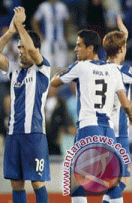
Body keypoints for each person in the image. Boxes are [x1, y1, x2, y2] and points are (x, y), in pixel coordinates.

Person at [50, 27, 132, 202]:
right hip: (108, 131)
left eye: (79, 45)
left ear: (90, 49)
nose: (75, 49)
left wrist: (63, 71)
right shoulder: (114, 70)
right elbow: (126, 104)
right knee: (112, 180)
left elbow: (54, 82)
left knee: (75, 176)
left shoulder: (80, 67)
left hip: (88, 127)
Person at [0, 6, 50, 203]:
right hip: (14, 133)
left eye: (24, 47)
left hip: (34, 134)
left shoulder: (43, 69)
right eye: (19, 48)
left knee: (37, 182)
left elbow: (32, 49)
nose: (21, 52)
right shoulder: (14, 70)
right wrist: (11, 32)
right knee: (16, 182)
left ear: (36, 50)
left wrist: (20, 25)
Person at [102, 16, 132, 203]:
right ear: (121, 49)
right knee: (117, 181)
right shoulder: (126, 72)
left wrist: (124, 35)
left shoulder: (98, 68)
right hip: (118, 132)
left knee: (121, 179)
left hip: (104, 129)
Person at [31, 0, 71, 74]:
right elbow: (34, 21)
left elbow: (67, 21)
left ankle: (59, 86)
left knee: (61, 65)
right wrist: (39, 35)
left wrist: (66, 35)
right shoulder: (43, 6)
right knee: (46, 65)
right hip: (47, 40)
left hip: (60, 40)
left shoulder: (62, 6)